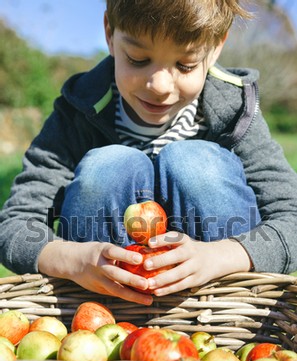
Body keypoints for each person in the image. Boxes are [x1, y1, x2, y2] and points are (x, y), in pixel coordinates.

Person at [0, 0, 297, 306]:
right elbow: (16, 224)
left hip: (221, 314)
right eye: (138, 59)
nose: (159, 85)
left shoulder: (235, 110)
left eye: (186, 65)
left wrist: (224, 255)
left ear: (216, 47)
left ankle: (227, 303)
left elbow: (292, 217)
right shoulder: (77, 112)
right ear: (110, 35)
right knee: (111, 165)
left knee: (193, 162)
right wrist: (70, 258)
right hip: (102, 318)